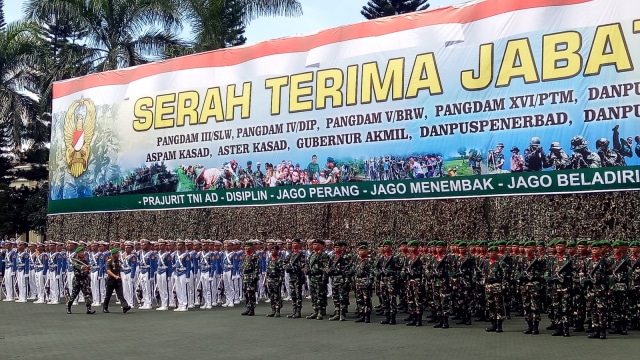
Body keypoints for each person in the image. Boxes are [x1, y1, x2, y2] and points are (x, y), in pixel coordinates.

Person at [305, 239, 330, 320]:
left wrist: (324, 279)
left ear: (321, 246)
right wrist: (306, 269)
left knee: (320, 295)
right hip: (312, 277)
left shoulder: (323, 255)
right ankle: (315, 310)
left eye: (316, 244)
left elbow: (326, 267)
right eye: (313, 244)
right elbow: (307, 264)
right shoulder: (311, 254)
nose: (314, 246)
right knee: (313, 295)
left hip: (319, 277)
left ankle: (320, 311)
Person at [66, 247, 95, 315]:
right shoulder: (75, 262)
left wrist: (88, 269)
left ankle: (89, 309)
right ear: (78, 253)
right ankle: (69, 307)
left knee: (87, 294)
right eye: (81, 252)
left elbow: (87, 270)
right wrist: (84, 271)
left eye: (83, 252)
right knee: (74, 295)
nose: (82, 253)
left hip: (85, 281)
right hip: (77, 281)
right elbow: (77, 273)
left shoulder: (84, 261)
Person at [103, 248, 131, 313]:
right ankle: (105, 307)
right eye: (117, 253)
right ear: (113, 254)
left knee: (120, 294)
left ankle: (125, 306)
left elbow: (122, 268)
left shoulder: (118, 261)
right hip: (111, 280)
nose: (118, 254)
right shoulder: (109, 261)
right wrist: (115, 276)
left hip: (118, 280)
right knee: (108, 295)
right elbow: (108, 271)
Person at [285, 238, 306, 318]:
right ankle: (294, 311)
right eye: (293, 243)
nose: (294, 245)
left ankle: (298, 311)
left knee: (298, 294)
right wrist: (287, 267)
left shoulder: (301, 254)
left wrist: (293, 268)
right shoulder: (290, 254)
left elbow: (302, 265)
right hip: (291, 277)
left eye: (295, 243)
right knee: (293, 294)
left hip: (298, 276)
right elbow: (285, 263)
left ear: (299, 244)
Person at [354, 243, 374, 323]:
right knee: (359, 300)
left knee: (366, 300)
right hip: (358, 282)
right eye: (360, 250)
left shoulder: (369, 260)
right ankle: (361, 315)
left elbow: (372, 272)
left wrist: (370, 281)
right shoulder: (357, 260)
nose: (361, 252)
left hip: (365, 282)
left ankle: (367, 316)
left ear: (366, 251)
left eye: (363, 250)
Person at [265, 244, 285, 317]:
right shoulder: (270, 259)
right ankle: (273, 309)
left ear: (277, 251)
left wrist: (280, 281)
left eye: (274, 250)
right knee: (271, 295)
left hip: (276, 279)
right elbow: (268, 270)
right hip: (270, 279)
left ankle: (277, 310)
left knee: (277, 295)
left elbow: (281, 271)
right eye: (272, 250)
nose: (273, 251)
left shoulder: (279, 259)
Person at [241, 241, 260, 316]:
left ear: (252, 247)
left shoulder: (255, 256)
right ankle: (248, 308)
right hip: (245, 277)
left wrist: (255, 276)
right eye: (245, 246)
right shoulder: (244, 256)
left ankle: (252, 309)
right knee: (246, 293)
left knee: (251, 293)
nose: (246, 248)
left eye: (248, 246)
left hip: (251, 277)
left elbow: (257, 267)